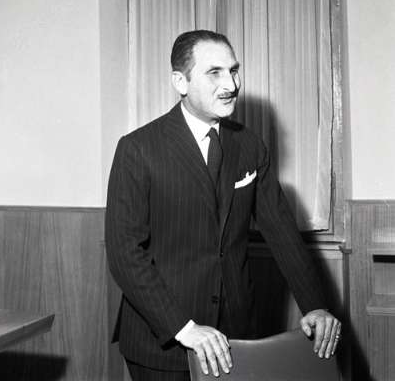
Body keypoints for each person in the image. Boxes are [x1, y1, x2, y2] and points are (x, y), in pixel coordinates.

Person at [105, 30, 341, 380]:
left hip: (236, 335)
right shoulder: (137, 149)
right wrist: (184, 328)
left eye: (233, 71)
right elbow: (124, 254)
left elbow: (282, 232)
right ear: (180, 82)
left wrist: (315, 305)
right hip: (162, 342)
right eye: (214, 73)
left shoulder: (250, 145)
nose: (231, 84)